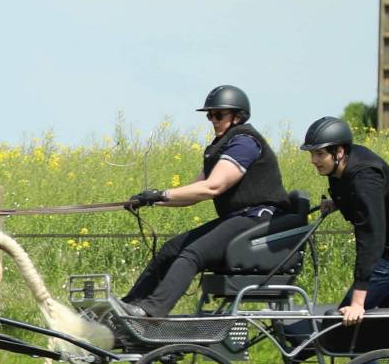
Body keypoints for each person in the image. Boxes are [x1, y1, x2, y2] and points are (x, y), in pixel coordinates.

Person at [117, 85, 291, 317]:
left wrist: (161, 194)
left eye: (219, 115)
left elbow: (213, 187)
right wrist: (150, 200)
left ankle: (151, 312)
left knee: (193, 254)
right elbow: (194, 192)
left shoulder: (244, 144)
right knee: (171, 249)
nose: (213, 120)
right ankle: (128, 307)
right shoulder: (222, 146)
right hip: (239, 218)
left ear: (237, 116)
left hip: (258, 219)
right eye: (210, 115)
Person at [299, 116, 389, 326]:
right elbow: (357, 195)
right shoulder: (339, 167)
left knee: (340, 328)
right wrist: (338, 202)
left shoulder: (365, 177)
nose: (313, 160)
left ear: (339, 152)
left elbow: (371, 236)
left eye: (319, 154)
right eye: (312, 154)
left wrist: (357, 303)